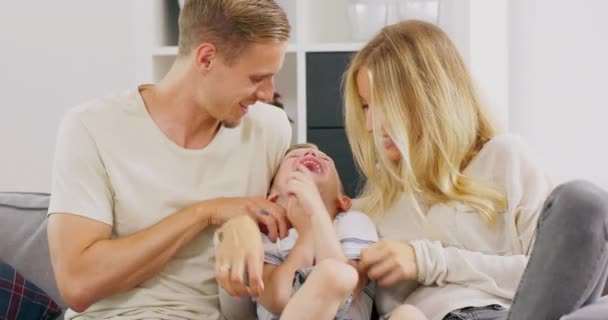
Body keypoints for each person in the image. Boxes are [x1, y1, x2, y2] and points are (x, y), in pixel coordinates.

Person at [340, 20, 608, 320]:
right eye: (365, 106)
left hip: (516, 314)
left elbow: (547, 275)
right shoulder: (372, 209)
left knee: (582, 200)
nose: (371, 125)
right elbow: (350, 305)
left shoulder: (504, 159)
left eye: (383, 103)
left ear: (428, 96)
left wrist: (426, 260)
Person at [46, 0, 293, 319]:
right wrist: (206, 213)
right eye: (257, 78)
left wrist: (244, 222)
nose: (267, 93)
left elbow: (314, 197)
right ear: (206, 59)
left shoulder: (269, 129)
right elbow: (78, 284)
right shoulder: (92, 127)